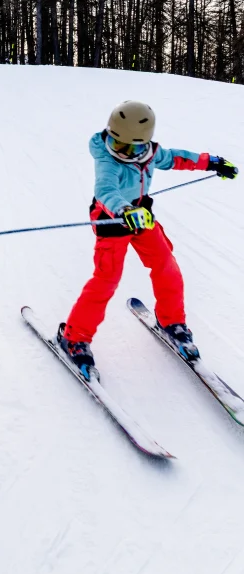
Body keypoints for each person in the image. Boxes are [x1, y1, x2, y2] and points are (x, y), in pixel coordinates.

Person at [58, 100, 238, 380]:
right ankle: (74, 337)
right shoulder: (107, 160)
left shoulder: (151, 153)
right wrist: (124, 210)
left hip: (142, 216)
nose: (121, 152)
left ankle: (172, 322)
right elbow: (105, 190)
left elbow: (176, 158)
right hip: (113, 220)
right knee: (107, 279)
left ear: (143, 144)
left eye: (129, 148)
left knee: (167, 266)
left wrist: (210, 162)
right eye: (116, 143)